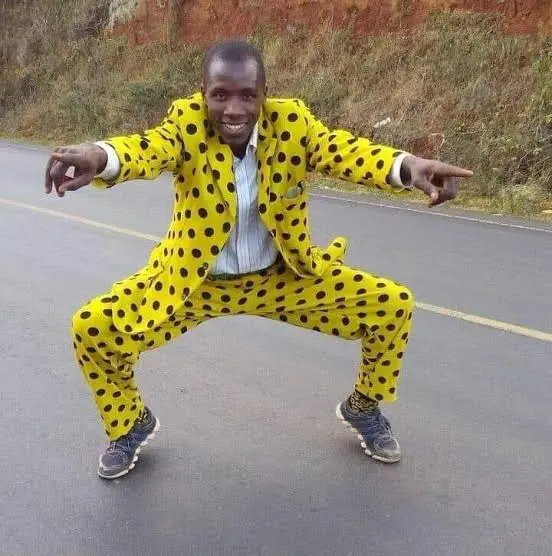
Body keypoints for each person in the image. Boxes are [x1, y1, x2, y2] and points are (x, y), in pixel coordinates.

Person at [44, 39, 473, 479]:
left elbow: (346, 152)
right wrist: (101, 156)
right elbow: (146, 148)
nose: (234, 109)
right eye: (220, 95)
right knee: (92, 328)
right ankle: (129, 423)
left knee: (392, 305)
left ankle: (363, 406)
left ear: (264, 94)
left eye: (248, 95)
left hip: (282, 279)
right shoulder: (185, 125)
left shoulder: (293, 124)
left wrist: (407, 167)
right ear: (203, 93)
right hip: (197, 284)